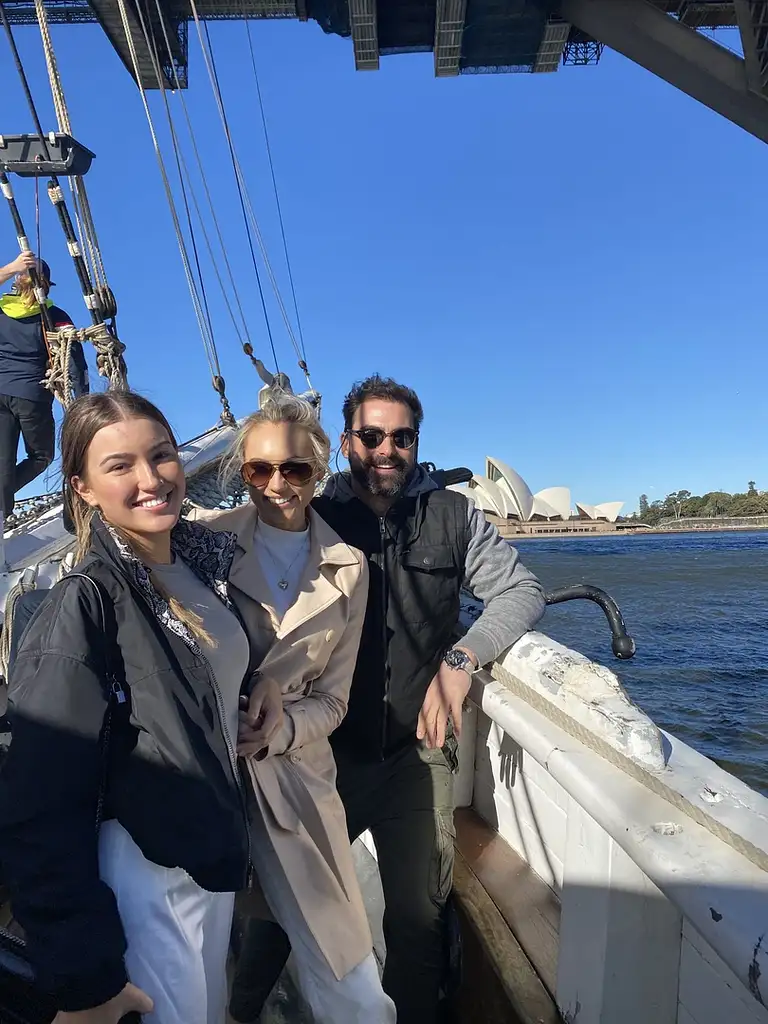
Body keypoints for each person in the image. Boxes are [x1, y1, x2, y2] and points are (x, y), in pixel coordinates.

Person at [230, 375, 547, 1024]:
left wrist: (460, 662)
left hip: (416, 753)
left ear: (416, 444)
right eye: (371, 436)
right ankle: (235, 1011)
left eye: (402, 438)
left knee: (418, 917)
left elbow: (521, 594)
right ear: (346, 442)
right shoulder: (314, 513)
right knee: (280, 910)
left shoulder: (454, 517)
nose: (386, 450)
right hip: (321, 755)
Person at [0, 390, 251, 1024]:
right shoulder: (84, 603)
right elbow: (38, 800)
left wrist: (256, 690)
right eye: (120, 466)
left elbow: (193, 684)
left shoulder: (203, 569)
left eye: (162, 455)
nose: (151, 479)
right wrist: (87, 980)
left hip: (207, 854)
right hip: (147, 871)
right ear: (82, 488)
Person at [205, 393, 395, 1024]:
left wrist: (281, 728)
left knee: (346, 970)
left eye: (294, 470)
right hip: (206, 768)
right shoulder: (201, 543)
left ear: (318, 470)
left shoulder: (349, 570)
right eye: (259, 470)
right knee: (193, 958)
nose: (276, 485)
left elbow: (334, 698)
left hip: (294, 776)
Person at [0, 250, 88, 526]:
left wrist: (11, 267)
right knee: (41, 456)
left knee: (2, 461)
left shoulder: (1, 308)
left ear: (17, 281)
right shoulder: (54, 315)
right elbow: (72, 356)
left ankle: (2, 505)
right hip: (32, 396)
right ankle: (2, 501)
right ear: (46, 285)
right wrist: (81, 401)